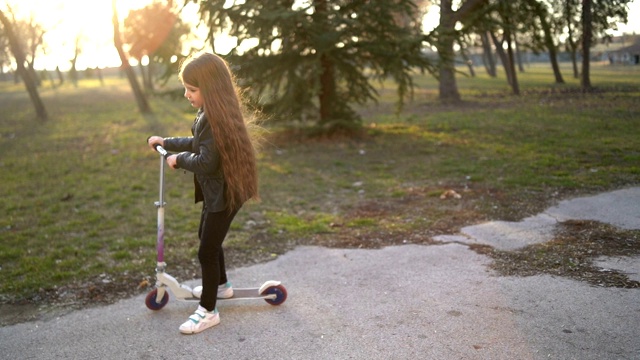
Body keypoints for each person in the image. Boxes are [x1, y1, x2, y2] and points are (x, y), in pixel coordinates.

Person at [147, 52, 261, 335]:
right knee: (207, 238)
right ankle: (221, 287)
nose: (186, 94)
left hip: (225, 192)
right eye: (185, 87)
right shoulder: (211, 112)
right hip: (220, 190)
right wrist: (168, 143)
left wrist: (180, 159)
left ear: (210, 88)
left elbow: (206, 161)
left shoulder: (215, 116)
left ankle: (208, 311)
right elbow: (199, 142)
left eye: (192, 89)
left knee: (206, 250)